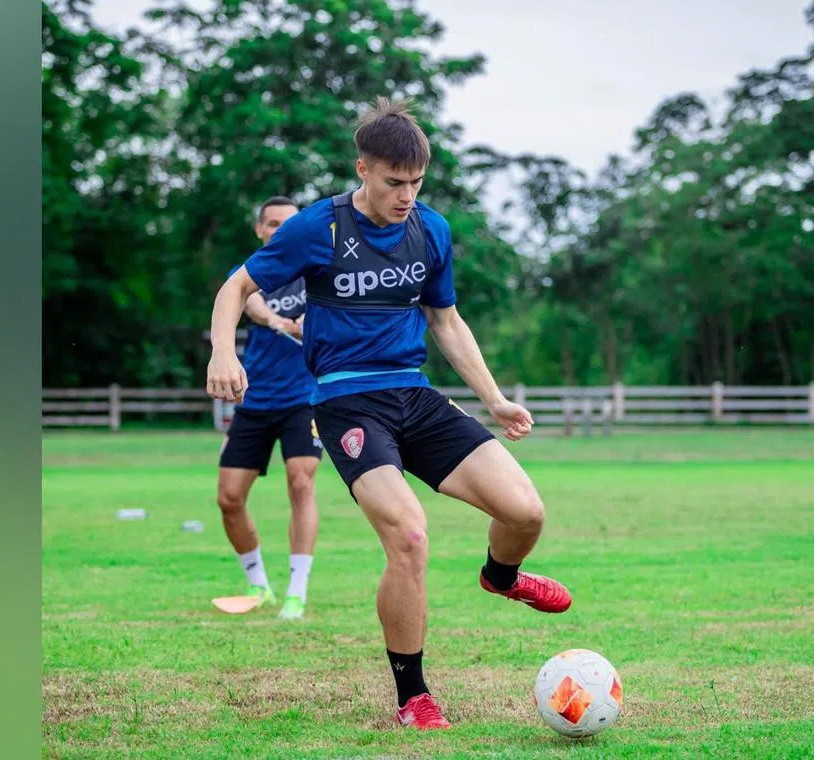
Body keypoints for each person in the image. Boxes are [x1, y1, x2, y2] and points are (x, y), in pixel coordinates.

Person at [206, 98, 571, 729]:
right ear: (364, 169)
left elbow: (445, 320)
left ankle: (501, 575)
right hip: (345, 402)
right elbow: (236, 286)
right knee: (409, 537)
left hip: (414, 395)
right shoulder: (318, 228)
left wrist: (494, 399)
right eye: (394, 182)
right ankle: (413, 695)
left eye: (416, 183)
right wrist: (222, 353)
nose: (406, 196)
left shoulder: (430, 230)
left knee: (526, 511)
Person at [215, 195, 324, 621]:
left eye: (289, 224)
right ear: (260, 230)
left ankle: (297, 590)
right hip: (255, 399)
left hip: (304, 399)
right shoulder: (249, 272)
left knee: (301, 483)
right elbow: (250, 302)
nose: (281, 231)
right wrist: (278, 321)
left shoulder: (317, 270)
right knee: (229, 498)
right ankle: (258, 583)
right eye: (273, 224)